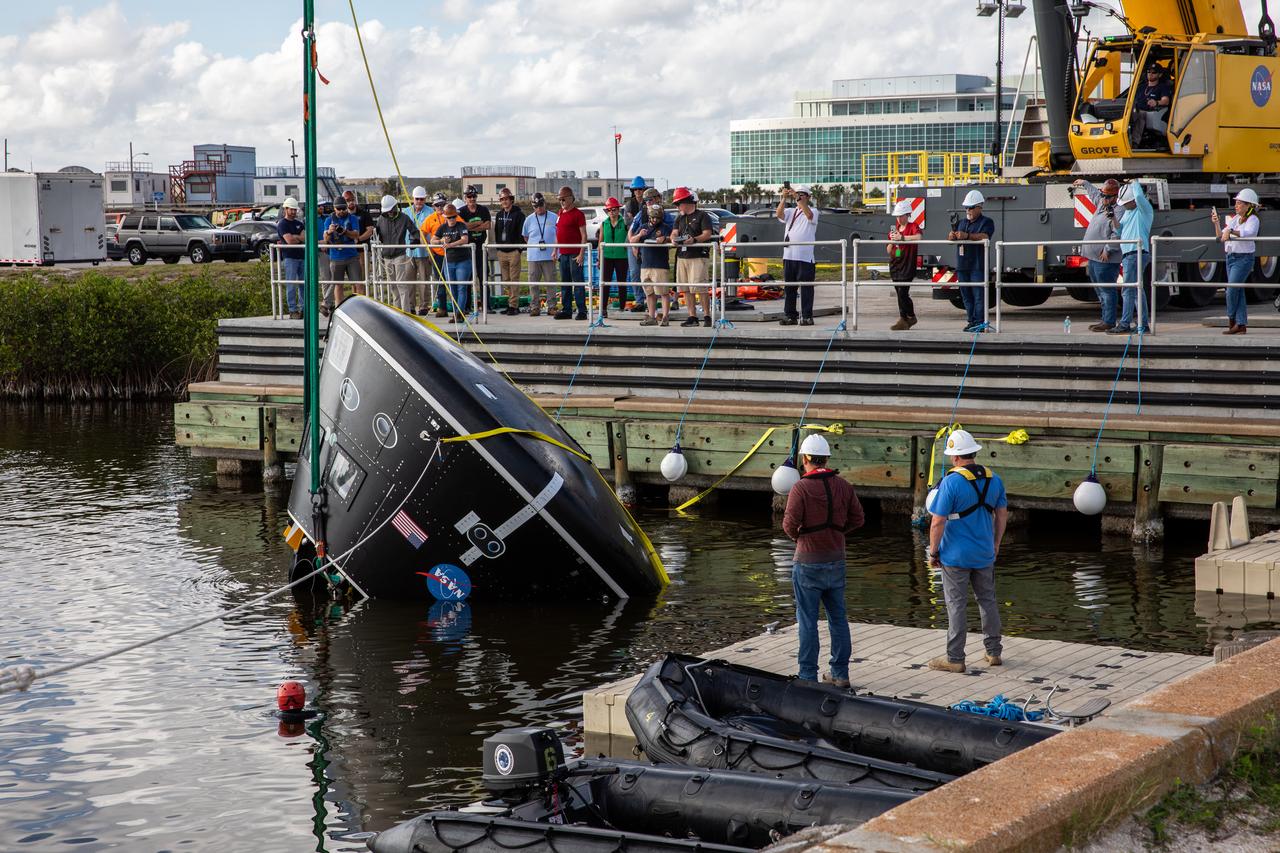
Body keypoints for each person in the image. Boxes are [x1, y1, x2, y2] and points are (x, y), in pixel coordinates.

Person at [781, 433, 865, 687]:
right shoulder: (843, 485)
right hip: (836, 560)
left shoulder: (801, 488)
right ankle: (840, 673)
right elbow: (858, 519)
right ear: (826, 457)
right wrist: (836, 533)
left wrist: (802, 539)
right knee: (838, 618)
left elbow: (788, 525)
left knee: (807, 620)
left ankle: (807, 675)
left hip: (807, 562)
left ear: (805, 459)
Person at [926, 429, 1008, 674]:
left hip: (955, 556)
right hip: (984, 552)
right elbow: (1002, 514)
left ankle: (955, 658)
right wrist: (996, 543)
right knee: (988, 601)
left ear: (954, 457)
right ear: (973, 453)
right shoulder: (995, 479)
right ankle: (994, 653)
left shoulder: (951, 481)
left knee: (956, 605)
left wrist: (933, 552)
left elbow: (937, 522)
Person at [1072, 179, 1123, 332]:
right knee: (1100, 291)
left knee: (1107, 290)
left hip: (1105, 260)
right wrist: (1085, 183)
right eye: (1103, 195)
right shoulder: (1102, 203)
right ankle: (1105, 319)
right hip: (1093, 257)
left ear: (1115, 196)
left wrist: (1108, 249)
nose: (1103, 198)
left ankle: (1109, 321)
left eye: (1107, 196)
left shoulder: (1119, 211)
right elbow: (1095, 194)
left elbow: (1117, 233)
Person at [1214, 188, 1262, 335]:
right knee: (1238, 290)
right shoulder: (1235, 219)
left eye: (1240, 203)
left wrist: (1231, 232)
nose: (1236, 205)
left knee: (1232, 290)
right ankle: (1240, 325)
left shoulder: (1253, 219)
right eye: (1236, 203)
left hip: (1243, 258)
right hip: (1231, 257)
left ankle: (1232, 320)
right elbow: (1221, 237)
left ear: (1249, 205)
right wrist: (1216, 223)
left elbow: (1249, 233)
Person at [948, 190, 995, 332]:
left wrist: (967, 235)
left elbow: (985, 236)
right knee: (966, 296)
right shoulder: (961, 223)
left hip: (977, 265)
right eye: (966, 207)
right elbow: (953, 238)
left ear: (979, 207)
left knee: (978, 295)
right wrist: (952, 236)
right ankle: (971, 321)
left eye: (970, 207)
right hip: (963, 266)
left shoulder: (986, 222)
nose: (967, 210)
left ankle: (979, 322)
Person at [1110, 180, 1153, 334]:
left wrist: (1134, 183)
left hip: (1136, 253)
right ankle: (1142, 324)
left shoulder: (1144, 209)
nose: (1124, 206)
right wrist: (1113, 218)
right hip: (1129, 254)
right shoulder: (1128, 212)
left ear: (1133, 201)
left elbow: (1140, 198)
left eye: (1126, 203)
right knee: (1136, 290)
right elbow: (1120, 231)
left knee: (1128, 290)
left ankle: (1125, 323)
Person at [775, 183, 819, 326]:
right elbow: (779, 214)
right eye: (797, 194)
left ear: (808, 197)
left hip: (805, 256)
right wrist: (783, 198)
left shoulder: (814, 210)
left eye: (802, 194)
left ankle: (807, 316)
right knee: (789, 287)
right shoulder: (790, 211)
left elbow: (809, 215)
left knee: (806, 287)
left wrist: (798, 199)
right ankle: (790, 315)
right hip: (789, 255)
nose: (798, 196)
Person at [672, 186, 715, 328]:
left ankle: (707, 315)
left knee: (700, 287)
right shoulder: (680, 218)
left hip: (698, 256)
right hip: (682, 256)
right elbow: (674, 232)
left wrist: (694, 240)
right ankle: (692, 316)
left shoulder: (702, 215)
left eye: (678, 204)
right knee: (685, 288)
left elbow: (707, 233)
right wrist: (674, 239)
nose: (677, 207)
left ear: (686, 202)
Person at [374, 193, 420, 313]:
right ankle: (396, 310)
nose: (389, 213)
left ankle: (405, 312)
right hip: (386, 256)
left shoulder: (404, 218)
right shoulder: (380, 219)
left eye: (391, 210)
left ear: (395, 207)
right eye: (387, 211)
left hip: (400, 254)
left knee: (401, 284)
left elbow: (415, 231)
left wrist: (414, 241)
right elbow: (375, 234)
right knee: (392, 285)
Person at [629, 201, 673, 326]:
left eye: (658, 218)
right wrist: (639, 235)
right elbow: (632, 241)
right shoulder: (643, 226)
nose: (655, 220)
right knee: (649, 292)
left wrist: (665, 239)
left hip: (660, 265)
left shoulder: (664, 227)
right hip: (645, 264)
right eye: (653, 217)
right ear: (649, 216)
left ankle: (665, 316)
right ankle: (651, 316)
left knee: (663, 292)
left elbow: (674, 238)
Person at [322, 197, 363, 315]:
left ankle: (360, 310)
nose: (341, 211)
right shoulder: (328, 220)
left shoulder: (353, 218)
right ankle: (339, 310)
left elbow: (356, 234)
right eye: (338, 209)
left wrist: (345, 231)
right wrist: (329, 231)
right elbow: (325, 239)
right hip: (336, 257)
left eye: (343, 208)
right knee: (338, 285)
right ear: (334, 209)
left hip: (351, 256)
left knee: (358, 283)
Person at [521, 192, 558, 317]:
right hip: (534, 257)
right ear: (533, 207)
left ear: (545, 203)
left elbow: (558, 235)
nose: (539, 208)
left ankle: (552, 306)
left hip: (549, 256)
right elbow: (526, 237)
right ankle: (535, 307)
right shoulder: (529, 219)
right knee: (533, 283)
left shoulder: (554, 217)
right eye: (536, 206)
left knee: (551, 282)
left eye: (541, 205)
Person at [554, 186, 588, 320]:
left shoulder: (578, 214)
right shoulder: (560, 213)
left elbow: (584, 235)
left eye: (563, 199)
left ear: (570, 198)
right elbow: (558, 233)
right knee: (565, 283)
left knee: (578, 283)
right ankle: (567, 309)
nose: (561, 202)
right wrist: (554, 250)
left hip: (574, 254)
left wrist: (581, 253)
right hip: (563, 253)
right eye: (559, 199)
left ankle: (582, 310)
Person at [887, 198, 922, 330]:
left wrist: (902, 238)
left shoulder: (913, 226)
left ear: (907, 215)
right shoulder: (895, 229)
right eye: (897, 216)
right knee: (899, 292)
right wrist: (892, 240)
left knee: (903, 291)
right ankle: (904, 318)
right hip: (895, 264)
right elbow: (889, 250)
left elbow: (918, 237)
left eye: (901, 216)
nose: (899, 219)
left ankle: (909, 317)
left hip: (908, 264)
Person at [432, 203, 472, 319]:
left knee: (461, 287)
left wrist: (450, 244)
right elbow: (433, 240)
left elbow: (465, 239)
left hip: (463, 261)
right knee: (452, 288)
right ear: (445, 217)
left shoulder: (461, 225)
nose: (452, 219)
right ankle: (456, 314)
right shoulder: (442, 228)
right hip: (449, 262)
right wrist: (441, 241)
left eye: (453, 217)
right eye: (449, 217)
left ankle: (460, 313)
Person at [493, 188, 526, 315]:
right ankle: (510, 304)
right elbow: (496, 231)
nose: (504, 201)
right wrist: (498, 247)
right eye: (502, 199)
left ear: (511, 199)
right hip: (502, 251)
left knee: (514, 279)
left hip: (514, 251)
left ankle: (514, 305)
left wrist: (519, 249)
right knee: (506, 280)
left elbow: (522, 233)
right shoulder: (499, 214)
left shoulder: (518, 214)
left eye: (506, 199)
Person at [458, 187, 492, 310]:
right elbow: (462, 226)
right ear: (465, 198)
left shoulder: (483, 209)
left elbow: (488, 225)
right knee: (468, 278)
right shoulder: (461, 211)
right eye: (469, 196)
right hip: (467, 249)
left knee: (483, 278)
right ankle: (467, 306)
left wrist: (470, 227)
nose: (472, 199)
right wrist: (478, 224)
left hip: (480, 248)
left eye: (474, 196)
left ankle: (486, 306)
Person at [418, 193, 450, 316]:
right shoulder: (430, 218)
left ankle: (460, 310)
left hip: (453, 255)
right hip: (438, 255)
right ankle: (442, 308)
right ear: (433, 206)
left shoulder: (453, 216)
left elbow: (464, 228)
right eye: (437, 205)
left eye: (442, 204)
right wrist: (429, 251)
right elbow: (422, 233)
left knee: (455, 282)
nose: (440, 208)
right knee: (440, 282)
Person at [599, 197, 631, 318]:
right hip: (607, 256)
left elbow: (630, 237)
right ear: (607, 211)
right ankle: (603, 309)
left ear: (618, 210)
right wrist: (598, 258)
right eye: (610, 210)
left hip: (621, 257)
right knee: (605, 283)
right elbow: (600, 241)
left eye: (614, 209)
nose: (612, 212)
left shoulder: (624, 223)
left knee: (621, 283)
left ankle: (622, 307)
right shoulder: (604, 224)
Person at [275, 196, 305, 320]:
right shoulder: (282, 224)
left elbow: (304, 238)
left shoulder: (299, 223)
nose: (293, 212)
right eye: (291, 209)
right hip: (290, 258)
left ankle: (304, 309)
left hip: (302, 256)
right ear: (285, 209)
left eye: (295, 210)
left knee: (304, 284)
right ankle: (293, 310)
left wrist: (295, 237)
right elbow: (290, 241)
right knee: (291, 285)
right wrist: (297, 237)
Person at [406, 186, 434, 314]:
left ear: (425, 199)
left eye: (422, 199)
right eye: (417, 199)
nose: (419, 202)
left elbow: (434, 232)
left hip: (424, 252)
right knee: (409, 281)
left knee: (424, 280)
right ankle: (410, 306)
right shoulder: (405, 212)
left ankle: (423, 306)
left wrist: (431, 251)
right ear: (413, 199)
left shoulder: (431, 212)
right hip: (408, 252)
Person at [342, 190, 375, 295]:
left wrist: (358, 239)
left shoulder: (364, 214)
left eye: (352, 200)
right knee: (353, 280)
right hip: (349, 251)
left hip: (362, 251)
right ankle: (354, 302)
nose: (351, 202)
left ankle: (365, 301)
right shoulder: (343, 215)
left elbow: (370, 230)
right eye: (348, 200)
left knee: (363, 278)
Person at [1131, 65, 1173, 147]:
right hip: (1135, 110)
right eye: (1148, 72)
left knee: (1140, 115)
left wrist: (1156, 102)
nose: (1150, 74)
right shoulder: (1141, 87)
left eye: (1154, 72)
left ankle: (1134, 143)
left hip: (1150, 112)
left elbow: (1166, 100)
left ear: (1160, 75)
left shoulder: (1163, 87)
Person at [625, 176, 649, 302]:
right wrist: (634, 246)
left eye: (640, 189)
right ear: (633, 191)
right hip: (632, 240)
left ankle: (649, 298)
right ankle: (639, 300)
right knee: (634, 272)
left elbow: (650, 221)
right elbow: (629, 223)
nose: (638, 191)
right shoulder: (629, 204)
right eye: (636, 189)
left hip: (646, 241)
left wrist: (635, 219)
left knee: (647, 271)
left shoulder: (648, 203)